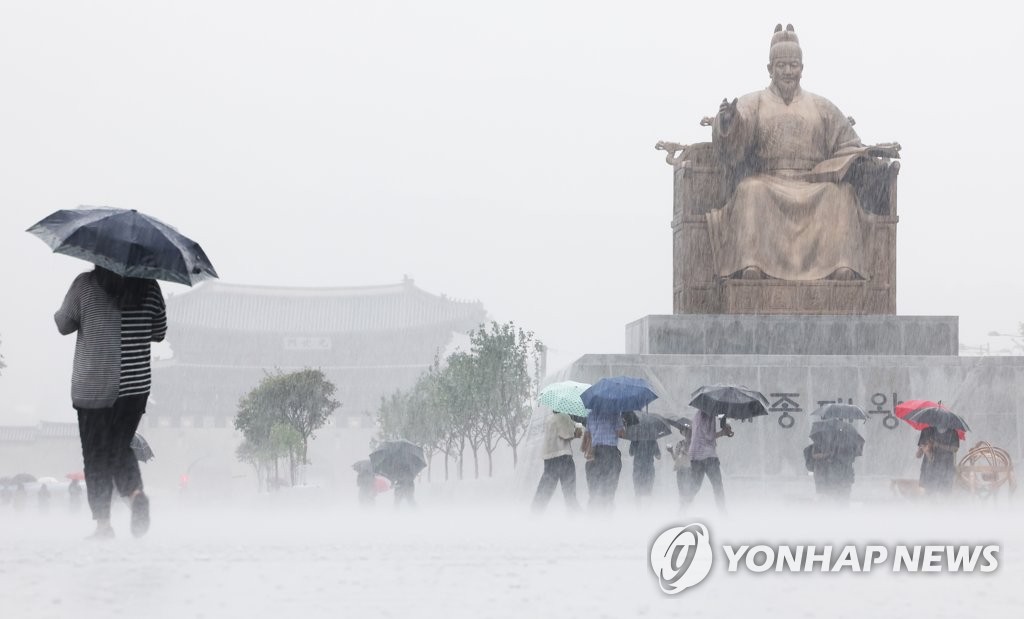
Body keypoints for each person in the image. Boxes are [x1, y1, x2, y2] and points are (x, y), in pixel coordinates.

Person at [707, 24, 891, 282]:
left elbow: (848, 142)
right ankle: (752, 264)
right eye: (781, 66)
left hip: (812, 182)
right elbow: (735, 137)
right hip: (768, 179)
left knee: (841, 194)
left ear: (802, 69)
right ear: (770, 69)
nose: (788, 72)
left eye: (793, 65)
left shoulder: (821, 106)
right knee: (750, 190)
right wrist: (728, 121)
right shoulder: (754, 101)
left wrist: (866, 154)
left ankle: (842, 265)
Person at [55, 265, 166, 539]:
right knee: (119, 447)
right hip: (134, 386)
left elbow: (63, 324)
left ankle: (103, 525)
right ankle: (135, 493)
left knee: (95, 456)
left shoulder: (85, 284)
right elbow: (159, 332)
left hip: (93, 383)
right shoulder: (149, 286)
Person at [531, 410, 583, 512]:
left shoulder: (549, 420)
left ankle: (533, 517)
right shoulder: (565, 417)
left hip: (550, 460)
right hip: (564, 458)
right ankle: (578, 519)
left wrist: (574, 423)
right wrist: (579, 423)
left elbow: (564, 433)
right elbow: (573, 434)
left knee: (543, 494)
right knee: (570, 495)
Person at [681, 410, 733, 511]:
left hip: (696, 456)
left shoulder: (698, 415)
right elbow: (708, 437)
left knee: (695, 486)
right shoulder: (705, 415)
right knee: (717, 485)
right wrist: (723, 432)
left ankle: (683, 508)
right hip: (707, 455)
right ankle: (722, 512)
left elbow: (705, 436)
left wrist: (723, 426)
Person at [583, 410, 625, 510]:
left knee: (594, 491)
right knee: (609, 491)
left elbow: (587, 437)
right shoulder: (614, 413)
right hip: (610, 454)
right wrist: (622, 425)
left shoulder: (591, 414)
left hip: (594, 453)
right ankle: (607, 515)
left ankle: (594, 514)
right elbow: (621, 434)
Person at [917, 426, 961, 495]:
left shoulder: (952, 432)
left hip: (946, 468)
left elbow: (955, 449)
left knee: (944, 494)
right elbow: (918, 455)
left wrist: (938, 444)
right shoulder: (926, 431)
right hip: (929, 470)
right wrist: (924, 448)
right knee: (929, 494)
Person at [667, 427, 693, 505]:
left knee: (689, 490)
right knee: (681, 491)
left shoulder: (694, 444)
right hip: (680, 469)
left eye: (690, 432)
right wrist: (671, 451)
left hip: (690, 470)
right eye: (686, 432)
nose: (688, 434)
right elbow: (676, 459)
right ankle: (682, 507)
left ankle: (688, 507)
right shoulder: (680, 443)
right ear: (683, 433)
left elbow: (696, 458)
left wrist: (686, 453)